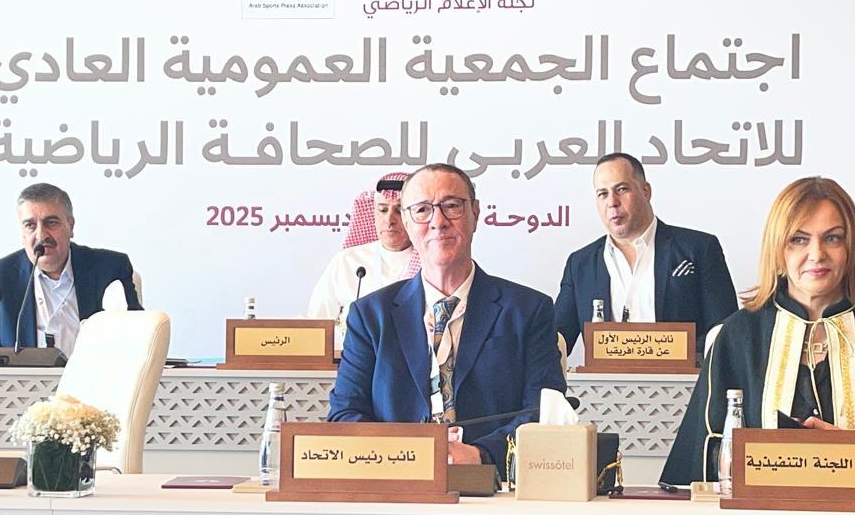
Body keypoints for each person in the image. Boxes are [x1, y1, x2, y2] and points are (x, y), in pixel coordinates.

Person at [661, 177, 855, 484]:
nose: (817, 254)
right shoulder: (737, 336)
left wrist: (849, 452)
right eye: (798, 239)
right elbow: (704, 458)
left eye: (832, 238)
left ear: (850, 247)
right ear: (777, 249)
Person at [328, 163, 566, 475]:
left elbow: (544, 412)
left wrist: (480, 455)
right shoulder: (370, 315)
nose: (438, 222)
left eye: (451, 206)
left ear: (475, 213)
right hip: (396, 481)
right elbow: (345, 414)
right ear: (407, 223)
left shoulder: (528, 310)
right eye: (422, 210)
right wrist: (409, 454)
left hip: (495, 485)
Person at [554, 153, 737, 361]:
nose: (612, 202)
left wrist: (675, 353)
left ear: (646, 191)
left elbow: (726, 331)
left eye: (621, 189)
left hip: (686, 380)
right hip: (605, 382)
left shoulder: (699, 249)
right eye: (602, 194)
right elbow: (556, 339)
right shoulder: (580, 264)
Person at [0, 183, 141, 356]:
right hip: (25, 374)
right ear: (22, 233)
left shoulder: (111, 269)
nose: (41, 235)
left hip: (97, 372)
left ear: (71, 226)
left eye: (51, 223)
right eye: (30, 225)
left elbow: (139, 340)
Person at [306, 172, 420, 346]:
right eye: (382, 210)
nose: (389, 220)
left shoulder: (430, 264)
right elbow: (317, 323)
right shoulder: (347, 260)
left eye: (399, 210)